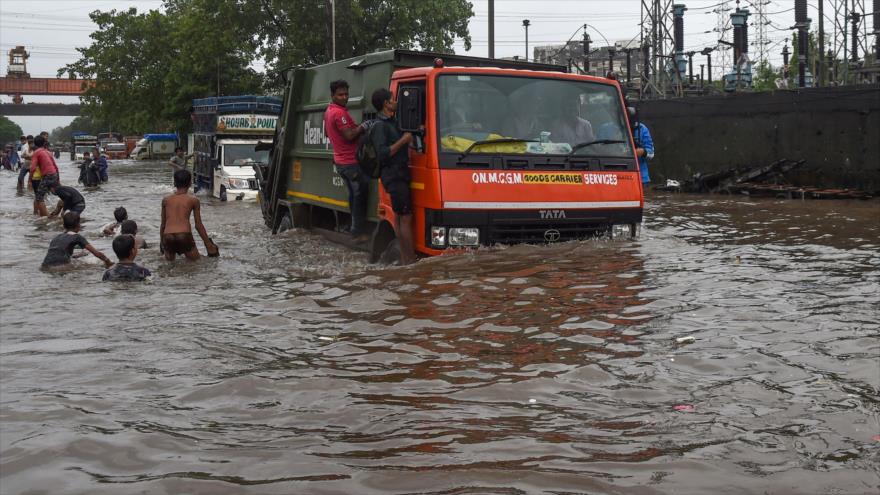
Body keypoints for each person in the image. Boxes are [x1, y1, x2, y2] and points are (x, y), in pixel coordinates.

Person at [370, 88, 417, 265]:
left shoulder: (393, 122)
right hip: (394, 174)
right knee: (405, 217)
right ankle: (409, 260)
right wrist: (403, 141)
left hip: (399, 173)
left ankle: (406, 259)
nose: (396, 101)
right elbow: (382, 153)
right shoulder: (379, 126)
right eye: (393, 99)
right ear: (386, 104)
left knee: (399, 217)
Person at [324, 80, 370, 243]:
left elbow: (327, 133)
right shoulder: (338, 113)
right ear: (333, 95)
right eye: (340, 94)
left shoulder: (329, 111)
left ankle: (354, 228)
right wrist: (363, 127)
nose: (344, 97)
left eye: (346, 94)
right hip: (350, 162)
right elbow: (349, 136)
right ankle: (357, 233)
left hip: (341, 161)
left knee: (353, 194)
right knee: (361, 194)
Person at [160, 169, 218, 261]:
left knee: (169, 266)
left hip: (168, 235)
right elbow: (198, 226)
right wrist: (208, 244)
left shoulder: (166, 200)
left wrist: (162, 243)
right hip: (184, 235)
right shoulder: (193, 200)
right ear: (190, 183)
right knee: (196, 264)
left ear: (174, 183)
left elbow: (163, 225)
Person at [41, 212, 113, 269]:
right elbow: (96, 253)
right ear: (79, 225)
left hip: (44, 266)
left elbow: (58, 253)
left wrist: (77, 256)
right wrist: (108, 262)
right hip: (60, 267)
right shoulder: (77, 237)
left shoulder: (57, 237)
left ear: (63, 226)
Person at [29, 135, 60, 217]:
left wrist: (29, 180)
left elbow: (32, 168)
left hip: (47, 176)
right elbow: (56, 167)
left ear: (35, 144)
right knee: (56, 193)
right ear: (44, 143)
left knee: (39, 197)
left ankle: (46, 217)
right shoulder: (48, 152)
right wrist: (58, 179)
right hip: (54, 175)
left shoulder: (36, 152)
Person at [632, 117, 654, 184]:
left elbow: (651, 154)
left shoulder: (642, 128)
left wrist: (642, 152)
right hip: (614, 177)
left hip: (641, 179)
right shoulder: (606, 129)